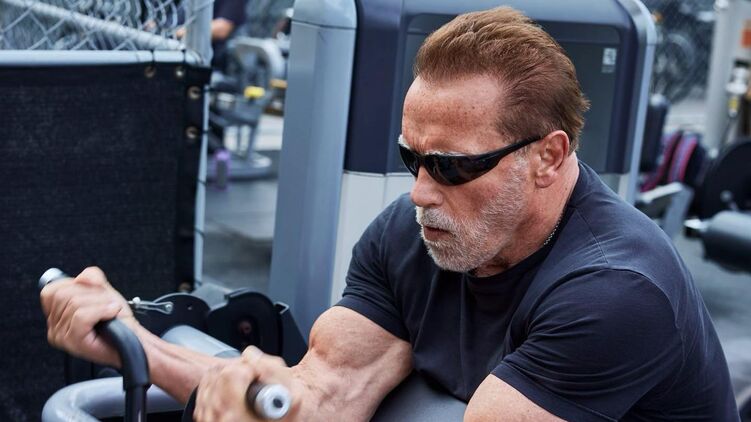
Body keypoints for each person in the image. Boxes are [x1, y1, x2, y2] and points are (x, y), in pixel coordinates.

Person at [40, 7, 739, 421]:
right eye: (412, 159)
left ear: (548, 157)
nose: (422, 193)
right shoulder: (413, 237)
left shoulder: (615, 293)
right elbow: (323, 397)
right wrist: (135, 341)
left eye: (454, 167)